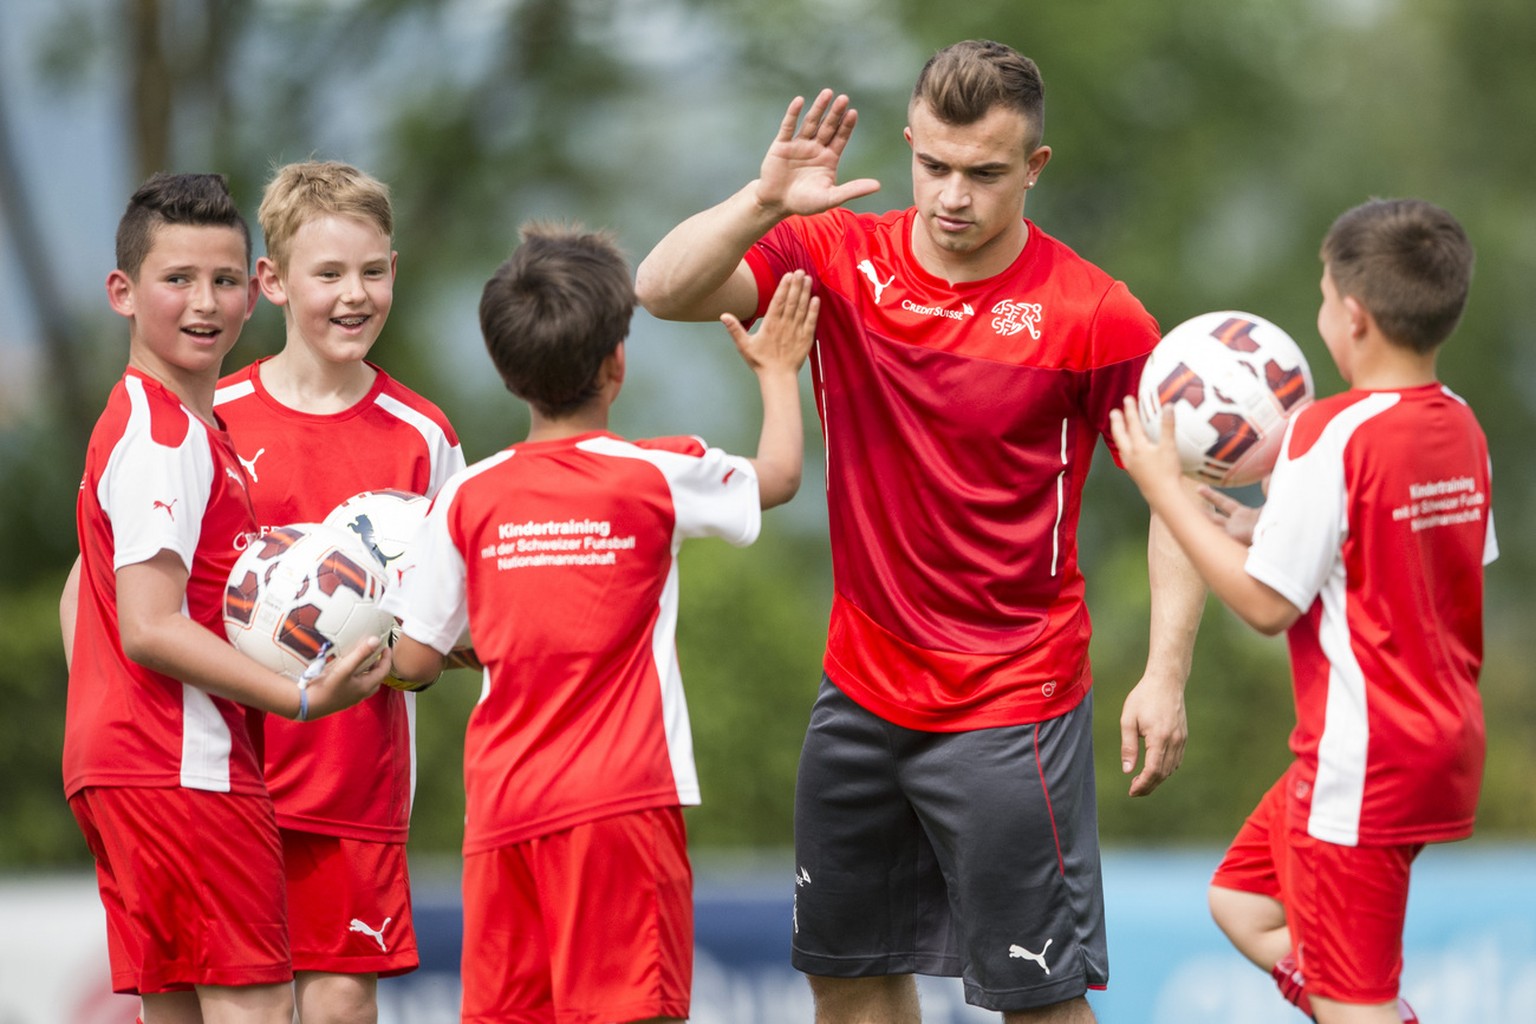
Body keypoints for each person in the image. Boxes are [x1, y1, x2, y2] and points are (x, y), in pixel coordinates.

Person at [634, 38, 1206, 1023]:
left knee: (1037, 1002)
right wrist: (762, 201)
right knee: (849, 985)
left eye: (985, 174)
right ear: (908, 145)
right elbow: (662, 289)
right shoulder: (838, 257)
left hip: (1013, 703)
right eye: (933, 165)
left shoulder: (1095, 315)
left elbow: (1175, 494)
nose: (953, 195)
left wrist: (1165, 671)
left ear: (1034, 167)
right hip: (859, 693)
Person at [383, 223, 819, 1024]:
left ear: (508, 371)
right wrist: (779, 370)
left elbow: (410, 657)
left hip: (503, 808)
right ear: (618, 361)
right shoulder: (655, 474)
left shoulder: (467, 498)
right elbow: (782, 476)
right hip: (622, 806)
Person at [1110, 197, 1494, 1024]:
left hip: (1362, 761)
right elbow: (1402, 556)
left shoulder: (1328, 435)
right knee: (1242, 901)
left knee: (1352, 1001)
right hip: (1441, 741)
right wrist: (1258, 524)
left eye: (1321, 295)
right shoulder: (1459, 423)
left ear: (1352, 318)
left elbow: (1262, 605)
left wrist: (1166, 489)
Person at [62, 171, 391, 1024]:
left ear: (255, 290)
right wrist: (305, 695)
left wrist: (106, 719)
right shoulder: (165, 433)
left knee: (175, 1011)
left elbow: (90, 597)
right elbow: (149, 625)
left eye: (222, 280)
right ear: (123, 293)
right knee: (257, 1011)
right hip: (186, 768)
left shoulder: (157, 421)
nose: (203, 303)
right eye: (177, 280)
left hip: (130, 767)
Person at [212, 159, 465, 1024]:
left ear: (394, 268)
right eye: (328, 274)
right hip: (225, 777)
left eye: (371, 270)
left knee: (341, 1003)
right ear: (273, 283)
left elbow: (457, 625)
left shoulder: (424, 437)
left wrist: (410, 653)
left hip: (354, 783)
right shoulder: (212, 416)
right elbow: (130, 589)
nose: (353, 295)